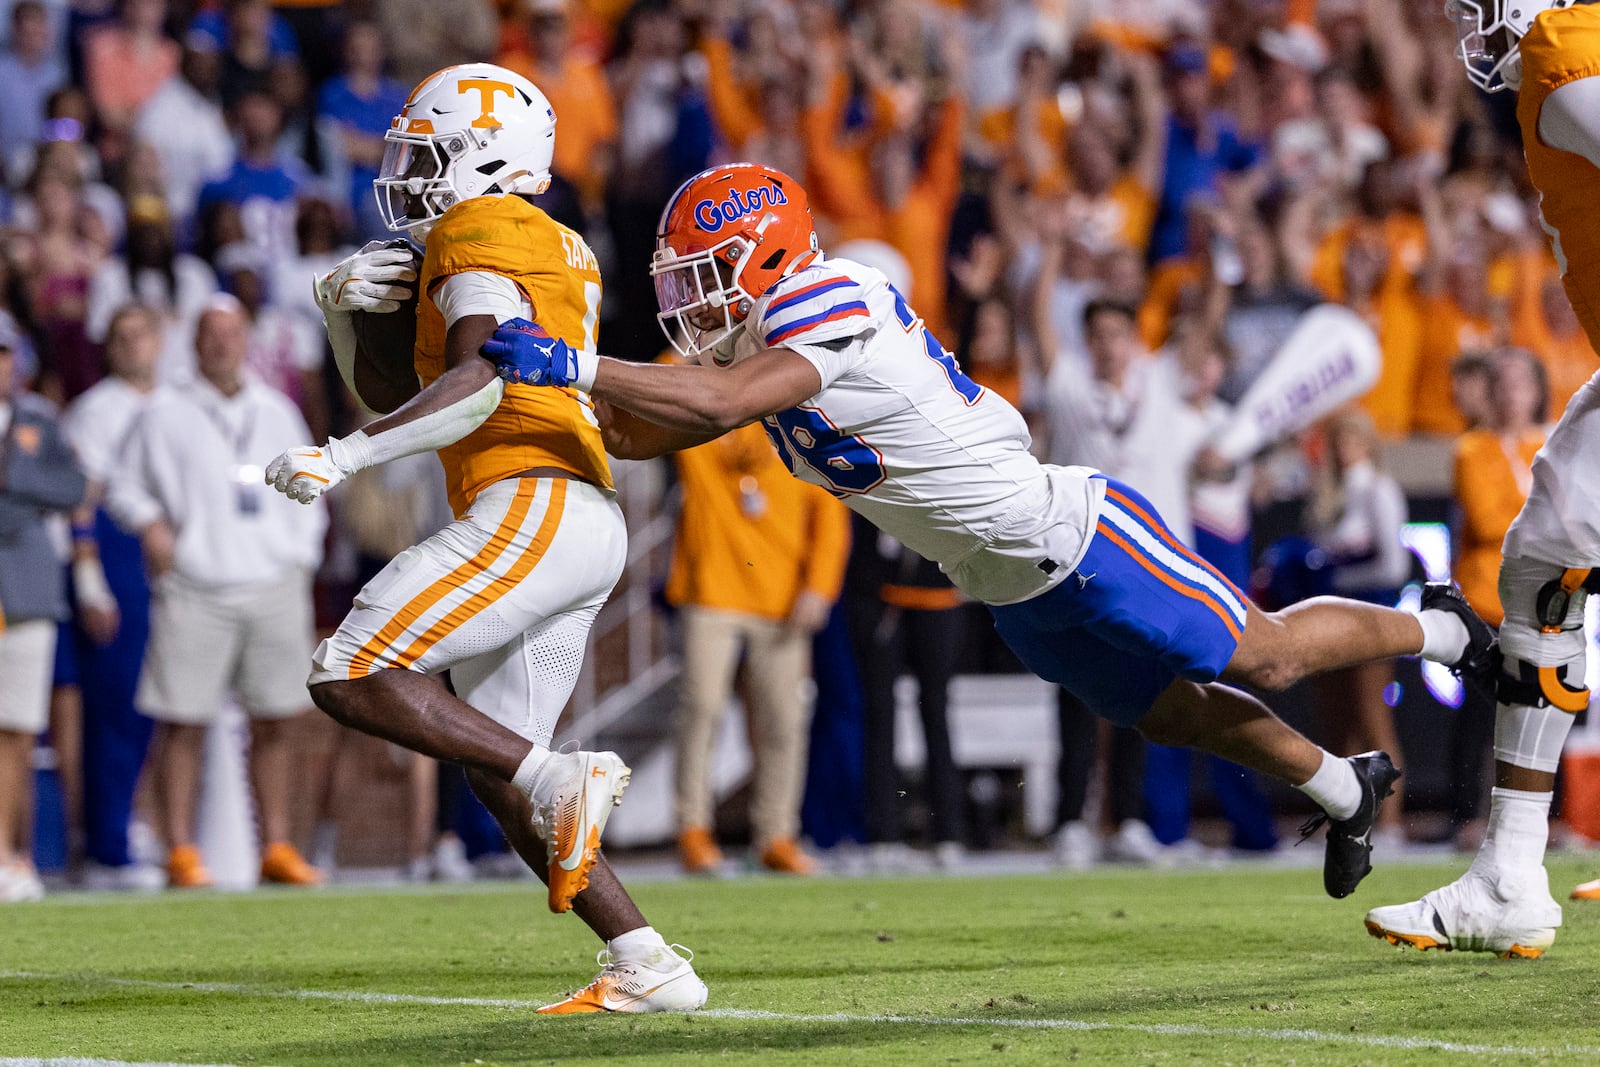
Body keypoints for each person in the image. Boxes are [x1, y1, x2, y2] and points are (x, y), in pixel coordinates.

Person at [485, 162, 1498, 905]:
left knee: (1263, 653)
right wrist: (501, 391)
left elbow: (713, 403)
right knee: (1168, 713)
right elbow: (652, 425)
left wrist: (577, 363)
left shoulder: (825, 296)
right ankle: (1341, 785)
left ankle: (1444, 630)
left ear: (770, 252)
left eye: (708, 272)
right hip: (1007, 584)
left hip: (1074, 528)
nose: (691, 297)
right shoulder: (761, 342)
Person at [259, 63, 706, 1014]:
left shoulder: (479, 226)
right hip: (571, 513)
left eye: (424, 156)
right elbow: (396, 389)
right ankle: (646, 957)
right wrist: (343, 317)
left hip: (531, 498)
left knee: (349, 669)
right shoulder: (522, 239)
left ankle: (562, 776)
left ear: (484, 160)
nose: (407, 176)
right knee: (495, 761)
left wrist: (342, 458)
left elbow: (480, 382)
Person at [1363, 0, 1600, 958]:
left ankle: (1509, 871)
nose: (1476, 23)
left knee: (1547, 559)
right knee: (1547, 557)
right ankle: (1507, 871)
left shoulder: (1560, 43)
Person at [106, 298, 325, 890]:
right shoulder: (164, 412)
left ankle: (276, 846)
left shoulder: (276, 409)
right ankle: (180, 850)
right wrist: (151, 523)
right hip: (195, 584)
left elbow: (315, 483)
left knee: (277, 720)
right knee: (182, 721)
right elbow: (121, 484)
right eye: (212, 334)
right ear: (196, 343)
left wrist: (301, 554)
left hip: (272, 580)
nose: (223, 344)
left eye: (233, 333)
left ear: (247, 340)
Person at [665, 417, 848, 876]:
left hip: (784, 598)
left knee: (785, 721)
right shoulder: (707, 424)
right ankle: (693, 830)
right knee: (702, 707)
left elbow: (830, 514)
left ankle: (776, 835)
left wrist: (820, 588)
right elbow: (675, 364)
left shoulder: (802, 429)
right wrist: (718, 350)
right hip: (712, 592)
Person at [0, 318, 87, 901]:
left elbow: (75, 489)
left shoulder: (37, 421)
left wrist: (13, 476)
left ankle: (12, 854)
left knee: (18, 731)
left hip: (25, 590)